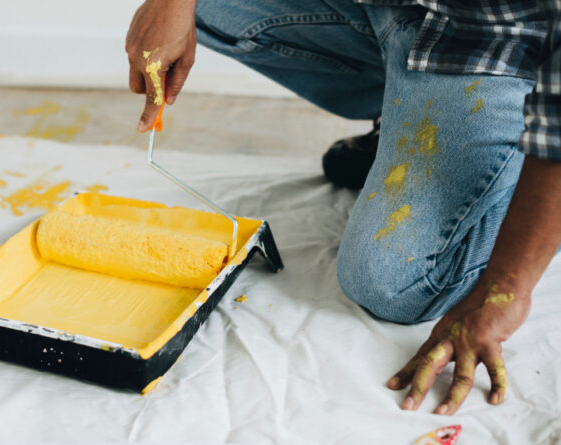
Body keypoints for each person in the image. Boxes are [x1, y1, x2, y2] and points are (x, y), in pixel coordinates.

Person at [125, 0, 561, 416]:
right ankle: (402, 119)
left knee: (391, 283)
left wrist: (507, 287)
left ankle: (517, 165)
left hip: (497, 39)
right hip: (393, 11)